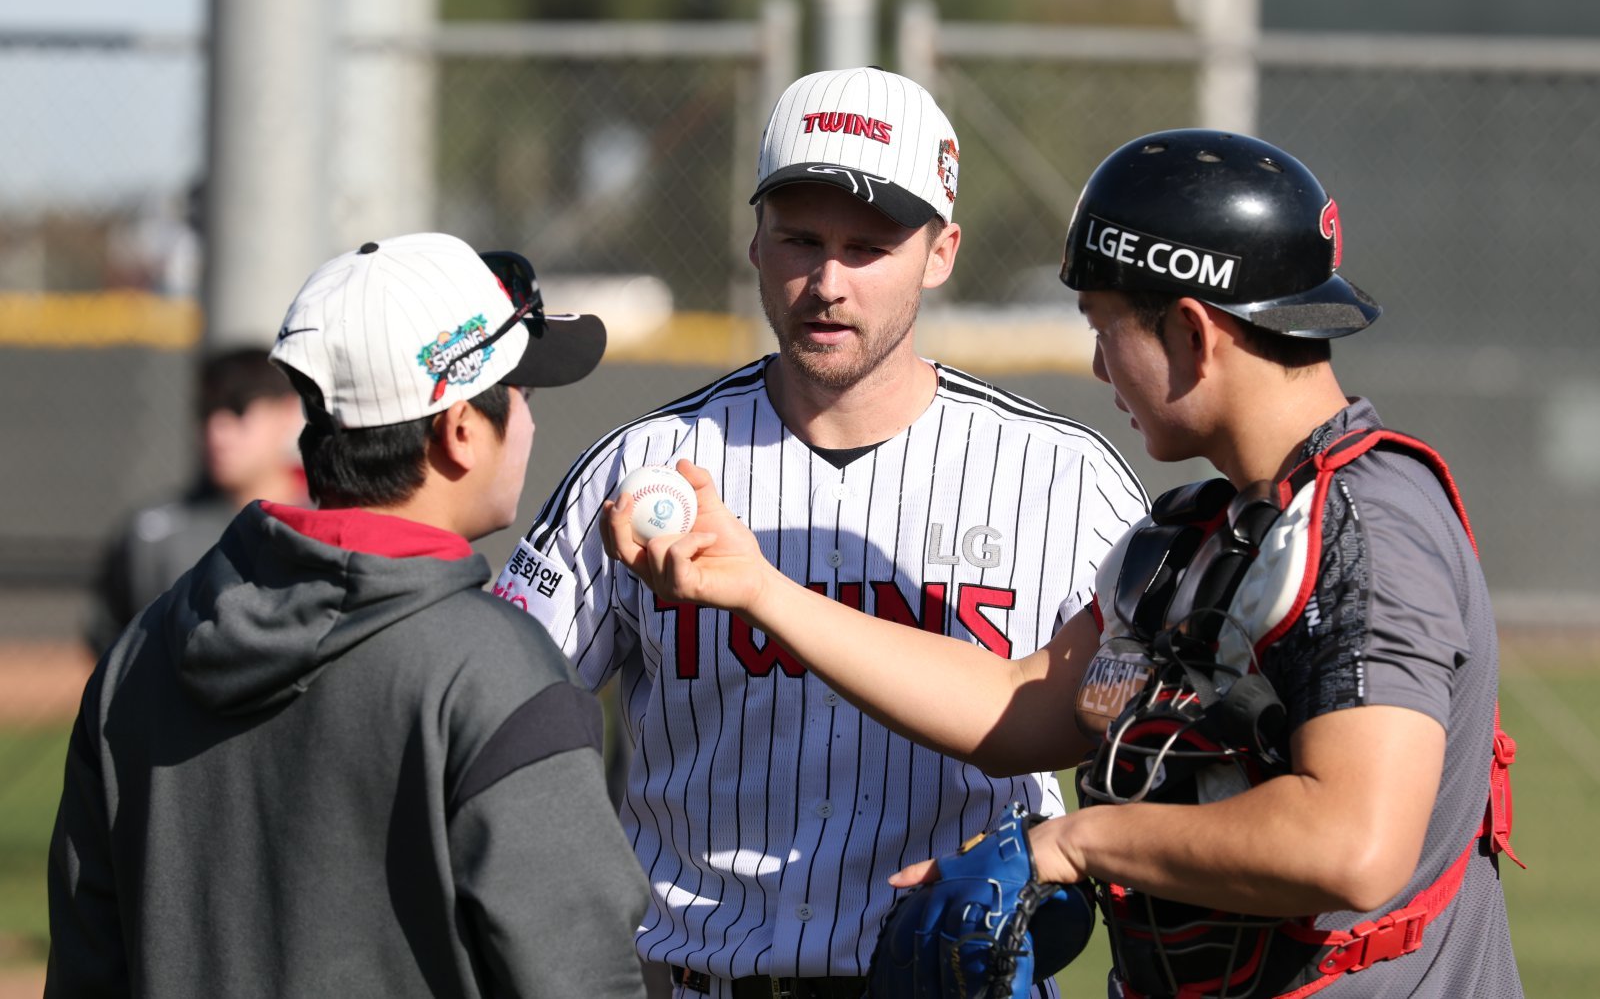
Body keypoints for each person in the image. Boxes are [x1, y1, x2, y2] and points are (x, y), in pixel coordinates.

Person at [604, 130, 1524, 997]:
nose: (1096, 366)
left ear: (1193, 333)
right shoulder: (1201, 535)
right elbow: (1019, 703)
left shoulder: (1369, 527)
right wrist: (759, 589)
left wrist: (1077, 843)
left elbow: (1352, 845)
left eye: (1103, 325)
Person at [492, 66, 1148, 998]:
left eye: (868, 247)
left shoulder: (1064, 478)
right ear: (755, 241)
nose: (828, 283)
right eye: (800, 239)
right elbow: (493, 717)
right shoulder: (642, 467)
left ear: (941, 252)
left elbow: (1158, 749)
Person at [47, 232, 650, 999]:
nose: (528, 423)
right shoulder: (499, 670)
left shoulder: (141, 652)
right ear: (462, 431)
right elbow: (583, 979)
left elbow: (86, 970)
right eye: (523, 396)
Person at [85, 345, 308, 657]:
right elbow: (111, 641)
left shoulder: (330, 522)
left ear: (288, 413)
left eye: (239, 411)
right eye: (207, 412)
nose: (217, 432)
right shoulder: (154, 533)